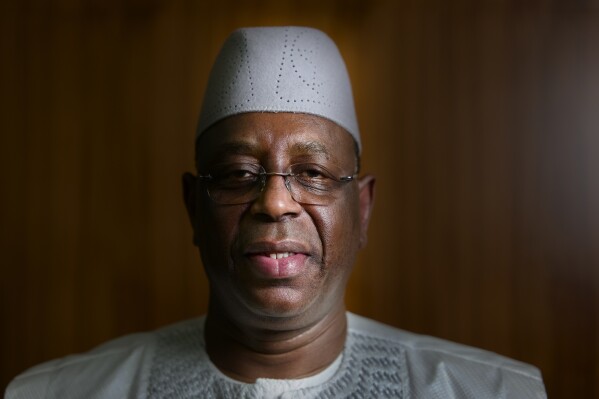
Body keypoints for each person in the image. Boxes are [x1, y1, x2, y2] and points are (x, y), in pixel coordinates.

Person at [6, 26, 546, 398]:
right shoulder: (56, 393)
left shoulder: (494, 391)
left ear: (361, 208)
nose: (275, 202)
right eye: (240, 173)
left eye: (312, 174)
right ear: (194, 206)